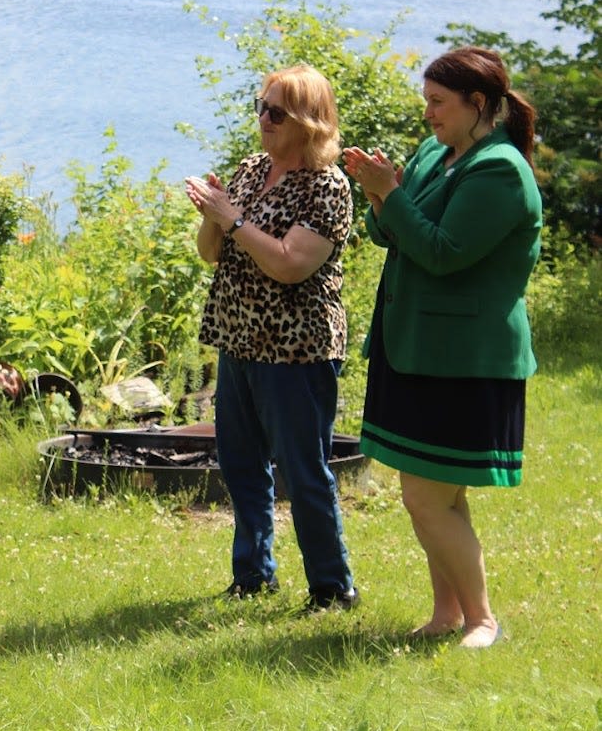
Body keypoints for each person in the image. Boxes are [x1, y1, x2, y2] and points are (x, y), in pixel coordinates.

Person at [343, 46, 541, 648]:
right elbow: (389, 231)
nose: (427, 114)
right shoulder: (436, 152)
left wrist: (389, 193)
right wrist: (382, 194)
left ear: (477, 104)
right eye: (425, 100)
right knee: (438, 493)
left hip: (465, 358)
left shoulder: (500, 170)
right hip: (416, 348)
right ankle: (446, 613)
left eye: (438, 102)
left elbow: (442, 252)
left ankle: (482, 620)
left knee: (424, 497)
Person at [184, 64, 358, 611]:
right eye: (260, 106)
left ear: (309, 121)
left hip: (296, 350)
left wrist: (232, 219)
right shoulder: (252, 169)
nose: (263, 119)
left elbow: (289, 266)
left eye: (276, 112)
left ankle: (332, 587)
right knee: (240, 464)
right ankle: (253, 575)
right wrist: (214, 214)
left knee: (303, 470)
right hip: (238, 339)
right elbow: (210, 252)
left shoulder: (327, 187)